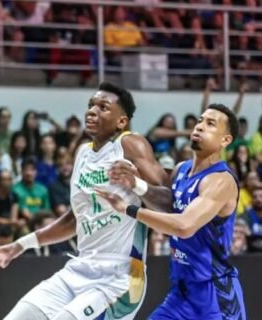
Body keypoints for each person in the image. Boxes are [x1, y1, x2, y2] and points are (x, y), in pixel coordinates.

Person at [0, 83, 169, 320]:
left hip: (119, 278)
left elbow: (169, 203)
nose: (92, 111)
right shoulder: (82, 153)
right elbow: (74, 219)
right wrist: (21, 245)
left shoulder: (130, 144)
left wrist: (137, 185)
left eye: (103, 107)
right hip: (79, 269)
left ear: (121, 121)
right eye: (91, 105)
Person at [96, 104, 246, 320]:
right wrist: (136, 184)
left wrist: (128, 209)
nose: (200, 126)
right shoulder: (181, 170)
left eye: (210, 124)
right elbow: (169, 207)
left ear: (225, 140)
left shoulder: (220, 180)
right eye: (200, 121)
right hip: (180, 294)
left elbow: (183, 226)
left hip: (215, 295)